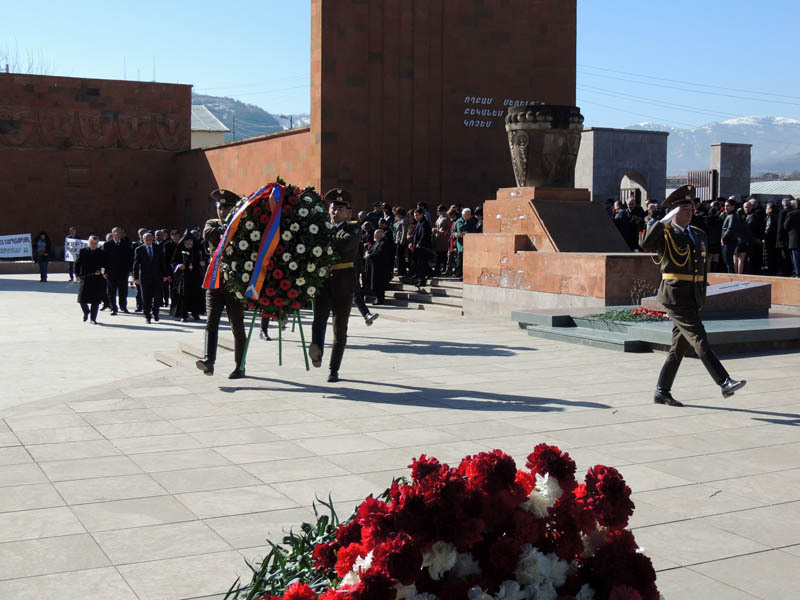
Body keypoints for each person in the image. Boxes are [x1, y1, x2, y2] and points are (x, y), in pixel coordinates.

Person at [639, 185, 746, 407]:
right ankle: (724, 382)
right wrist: (661, 221)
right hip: (675, 296)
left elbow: (700, 269)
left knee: (677, 349)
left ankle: (662, 391)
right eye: (684, 209)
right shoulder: (665, 233)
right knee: (699, 337)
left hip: (694, 295)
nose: (690, 212)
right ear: (674, 212)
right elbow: (644, 244)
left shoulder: (698, 234)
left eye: (691, 208)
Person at [309, 189, 361, 383]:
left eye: (340, 208)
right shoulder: (321, 227)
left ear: (348, 212)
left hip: (344, 282)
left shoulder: (354, 227)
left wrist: (326, 239)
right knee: (318, 318)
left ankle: (334, 369)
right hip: (323, 280)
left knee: (340, 328)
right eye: (333, 207)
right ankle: (317, 351)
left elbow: (345, 245)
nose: (335, 211)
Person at [196, 189, 248, 379]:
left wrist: (234, 224)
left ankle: (240, 365)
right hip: (215, 279)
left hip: (234, 282)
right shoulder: (212, 223)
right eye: (219, 207)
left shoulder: (241, 226)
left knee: (237, 325)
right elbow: (208, 234)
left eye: (226, 207)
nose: (222, 211)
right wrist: (229, 225)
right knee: (211, 321)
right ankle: (209, 360)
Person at [169, 230, 205, 321]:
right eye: (187, 242)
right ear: (184, 242)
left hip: (195, 276)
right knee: (183, 296)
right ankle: (184, 315)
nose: (189, 243)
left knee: (195, 295)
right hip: (183, 277)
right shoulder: (179, 249)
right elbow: (173, 262)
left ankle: (195, 313)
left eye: (191, 241)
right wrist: (178, 266)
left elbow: (203, 259)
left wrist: (202, 263)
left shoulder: (197, 250)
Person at [133, 231, 167, 324]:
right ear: (143, 240)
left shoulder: (158, 248)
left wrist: (165, 275)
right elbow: (136, 265)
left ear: (153, 239)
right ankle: (147, 316)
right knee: (146, 298)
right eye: (146, 240)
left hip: (157, 277)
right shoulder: (139, 249)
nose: (148, 241)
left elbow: (162, 262)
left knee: (157, 297)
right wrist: (136, 278)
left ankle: (156, 313)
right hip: (144, 277)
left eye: (150, 239)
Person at [75, 236, 107, 324]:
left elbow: (105, 265)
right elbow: (77, 264)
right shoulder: (83, 251)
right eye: (92, 243)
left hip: (97, 279)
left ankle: (93, 319)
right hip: (85, 278)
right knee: (81, 299)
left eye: (96, 243)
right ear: (89, 243)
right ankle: (86, 311)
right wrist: (77, 275)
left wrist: (102, 272)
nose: (94, 245)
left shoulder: (101, 252)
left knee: (95, 300)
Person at [103, 226, 133, 315]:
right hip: (111, 273)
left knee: (123, 291)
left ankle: (123, 306)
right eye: (116, 233)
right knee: (111, 291)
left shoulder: (126, 243)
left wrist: (131, 270)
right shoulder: (107, 244)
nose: (118, 234)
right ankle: (113, 308)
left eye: (120, 233)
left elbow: (130, 258)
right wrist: (103, 272)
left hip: (123, 272)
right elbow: (103, 259)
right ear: (112, 234)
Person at [364, 229, 394, 304]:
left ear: (380, 235)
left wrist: (369, 255)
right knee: (375, 285)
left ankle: (380, 299)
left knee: (379, 285)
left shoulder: (384, 243)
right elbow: (372, 250)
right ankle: (378, 298)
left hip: (380, 268)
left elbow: (380, 254)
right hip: (375, 267)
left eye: (376, 234)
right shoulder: (377, 242)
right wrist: (368, 251)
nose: (374, 235)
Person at [409, 207, 433, 289]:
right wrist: (412, 242)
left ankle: (421, 281)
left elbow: (424, 235)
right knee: (421, 264)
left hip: (422, 247)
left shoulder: (425, 223)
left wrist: (419, 243)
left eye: (417, 215)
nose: (416, 217)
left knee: (421, 265)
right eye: (415, 215)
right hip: (417, 247)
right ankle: (429, 273)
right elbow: (416, 234)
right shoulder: (419, 222)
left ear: (422, 214)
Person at [453, 208, 478, 278]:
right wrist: (456, 234)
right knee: (459, 259)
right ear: (463, 215)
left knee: (467, 260)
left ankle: (466, 275)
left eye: (470, 214)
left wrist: (465, 234)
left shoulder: (472, 221)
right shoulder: (458, 221)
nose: (469, 216)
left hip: (469, 244)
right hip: (460, 244)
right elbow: (453, 231)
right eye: (467, 214)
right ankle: (459, 273)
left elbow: (474, 231)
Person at [785, 199, 800, 277]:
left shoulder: (790, 214)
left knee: (796, 257)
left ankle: (798, 273)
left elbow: (785, 226)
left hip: (794, 238)